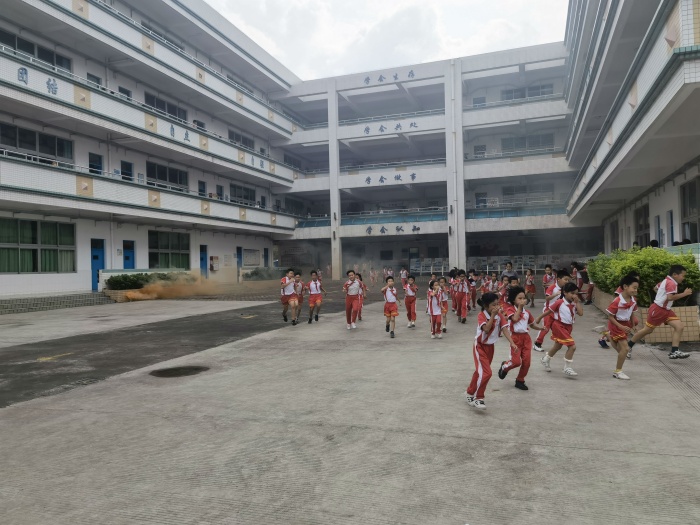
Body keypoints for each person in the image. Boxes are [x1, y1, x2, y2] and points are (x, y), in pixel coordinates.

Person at [465, 292, 517, 410]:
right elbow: (486, 329)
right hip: (480, 346)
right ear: (486, 306)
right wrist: (493, 316)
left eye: (497, 304)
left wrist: (512, 343)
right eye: (493, 305)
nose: (497, 307)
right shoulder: (481, 315)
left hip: (490, 347)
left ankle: (469, 393)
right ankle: (479, 398)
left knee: (479, 372)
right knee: (486, 373)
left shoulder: (500, 315)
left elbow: (505, 329)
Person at [627, 265, 693, 359]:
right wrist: (684, 294)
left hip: (666, 310)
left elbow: (655, 288)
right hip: (658, 310)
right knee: (647, 330)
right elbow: (670, 297)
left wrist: (660, 297)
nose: (683, 278)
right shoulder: (671, 283)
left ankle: (674, 351)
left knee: (679, 326)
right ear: (675, 274)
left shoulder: (666, 280)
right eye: (683, 275)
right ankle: (628, 346)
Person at [498, 285, 544, 390]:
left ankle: (520, 380)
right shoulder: (510, 309)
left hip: (526, 339)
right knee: (516, 362)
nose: (523, 300)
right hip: (515, 338)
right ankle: (505, 366)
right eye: (520, 298)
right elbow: (514, 319)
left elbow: (532, 325)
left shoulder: (527, 313)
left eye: (524, 298)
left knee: (527, 362)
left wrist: (540, 328)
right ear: (513, 300)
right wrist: (519, 308)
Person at [537, 282, 584, 376]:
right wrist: (539, 318)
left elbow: (581, 313)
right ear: (565, 292)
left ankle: (545, 359)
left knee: (558, 345)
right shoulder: (559, 302)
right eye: (572, 293)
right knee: (572, 346)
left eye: (576, 293)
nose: (574, 295)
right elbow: (549, 311)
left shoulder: (574, 303)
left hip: (568, 327)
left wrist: (577, 302)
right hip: (559, 326)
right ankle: (567, 367)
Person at [605, 275, 639, 379]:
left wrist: (633, 325)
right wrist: (620, 326)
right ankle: (618, 372)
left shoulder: (633, 300)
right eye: (634, 288)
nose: (635, 290)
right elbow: (610, 316)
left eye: (637, 288)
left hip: (625, 325)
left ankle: (609, 336)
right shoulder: (617, 301)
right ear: (625, 286)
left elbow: (632, 313)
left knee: (621, 350)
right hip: (616, 325)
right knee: (625, 349)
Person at [534, 269, 571, 352]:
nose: (567, 281)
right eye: (565, 279)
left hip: (558, 312)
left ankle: (559, 343)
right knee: (545, 328)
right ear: (558, 279)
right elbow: (547, 298)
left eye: (568, 280)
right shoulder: (552, 287)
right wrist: (555, 294)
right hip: (549, 311)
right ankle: (537, 343)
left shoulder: (566, 289)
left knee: (558, 328)